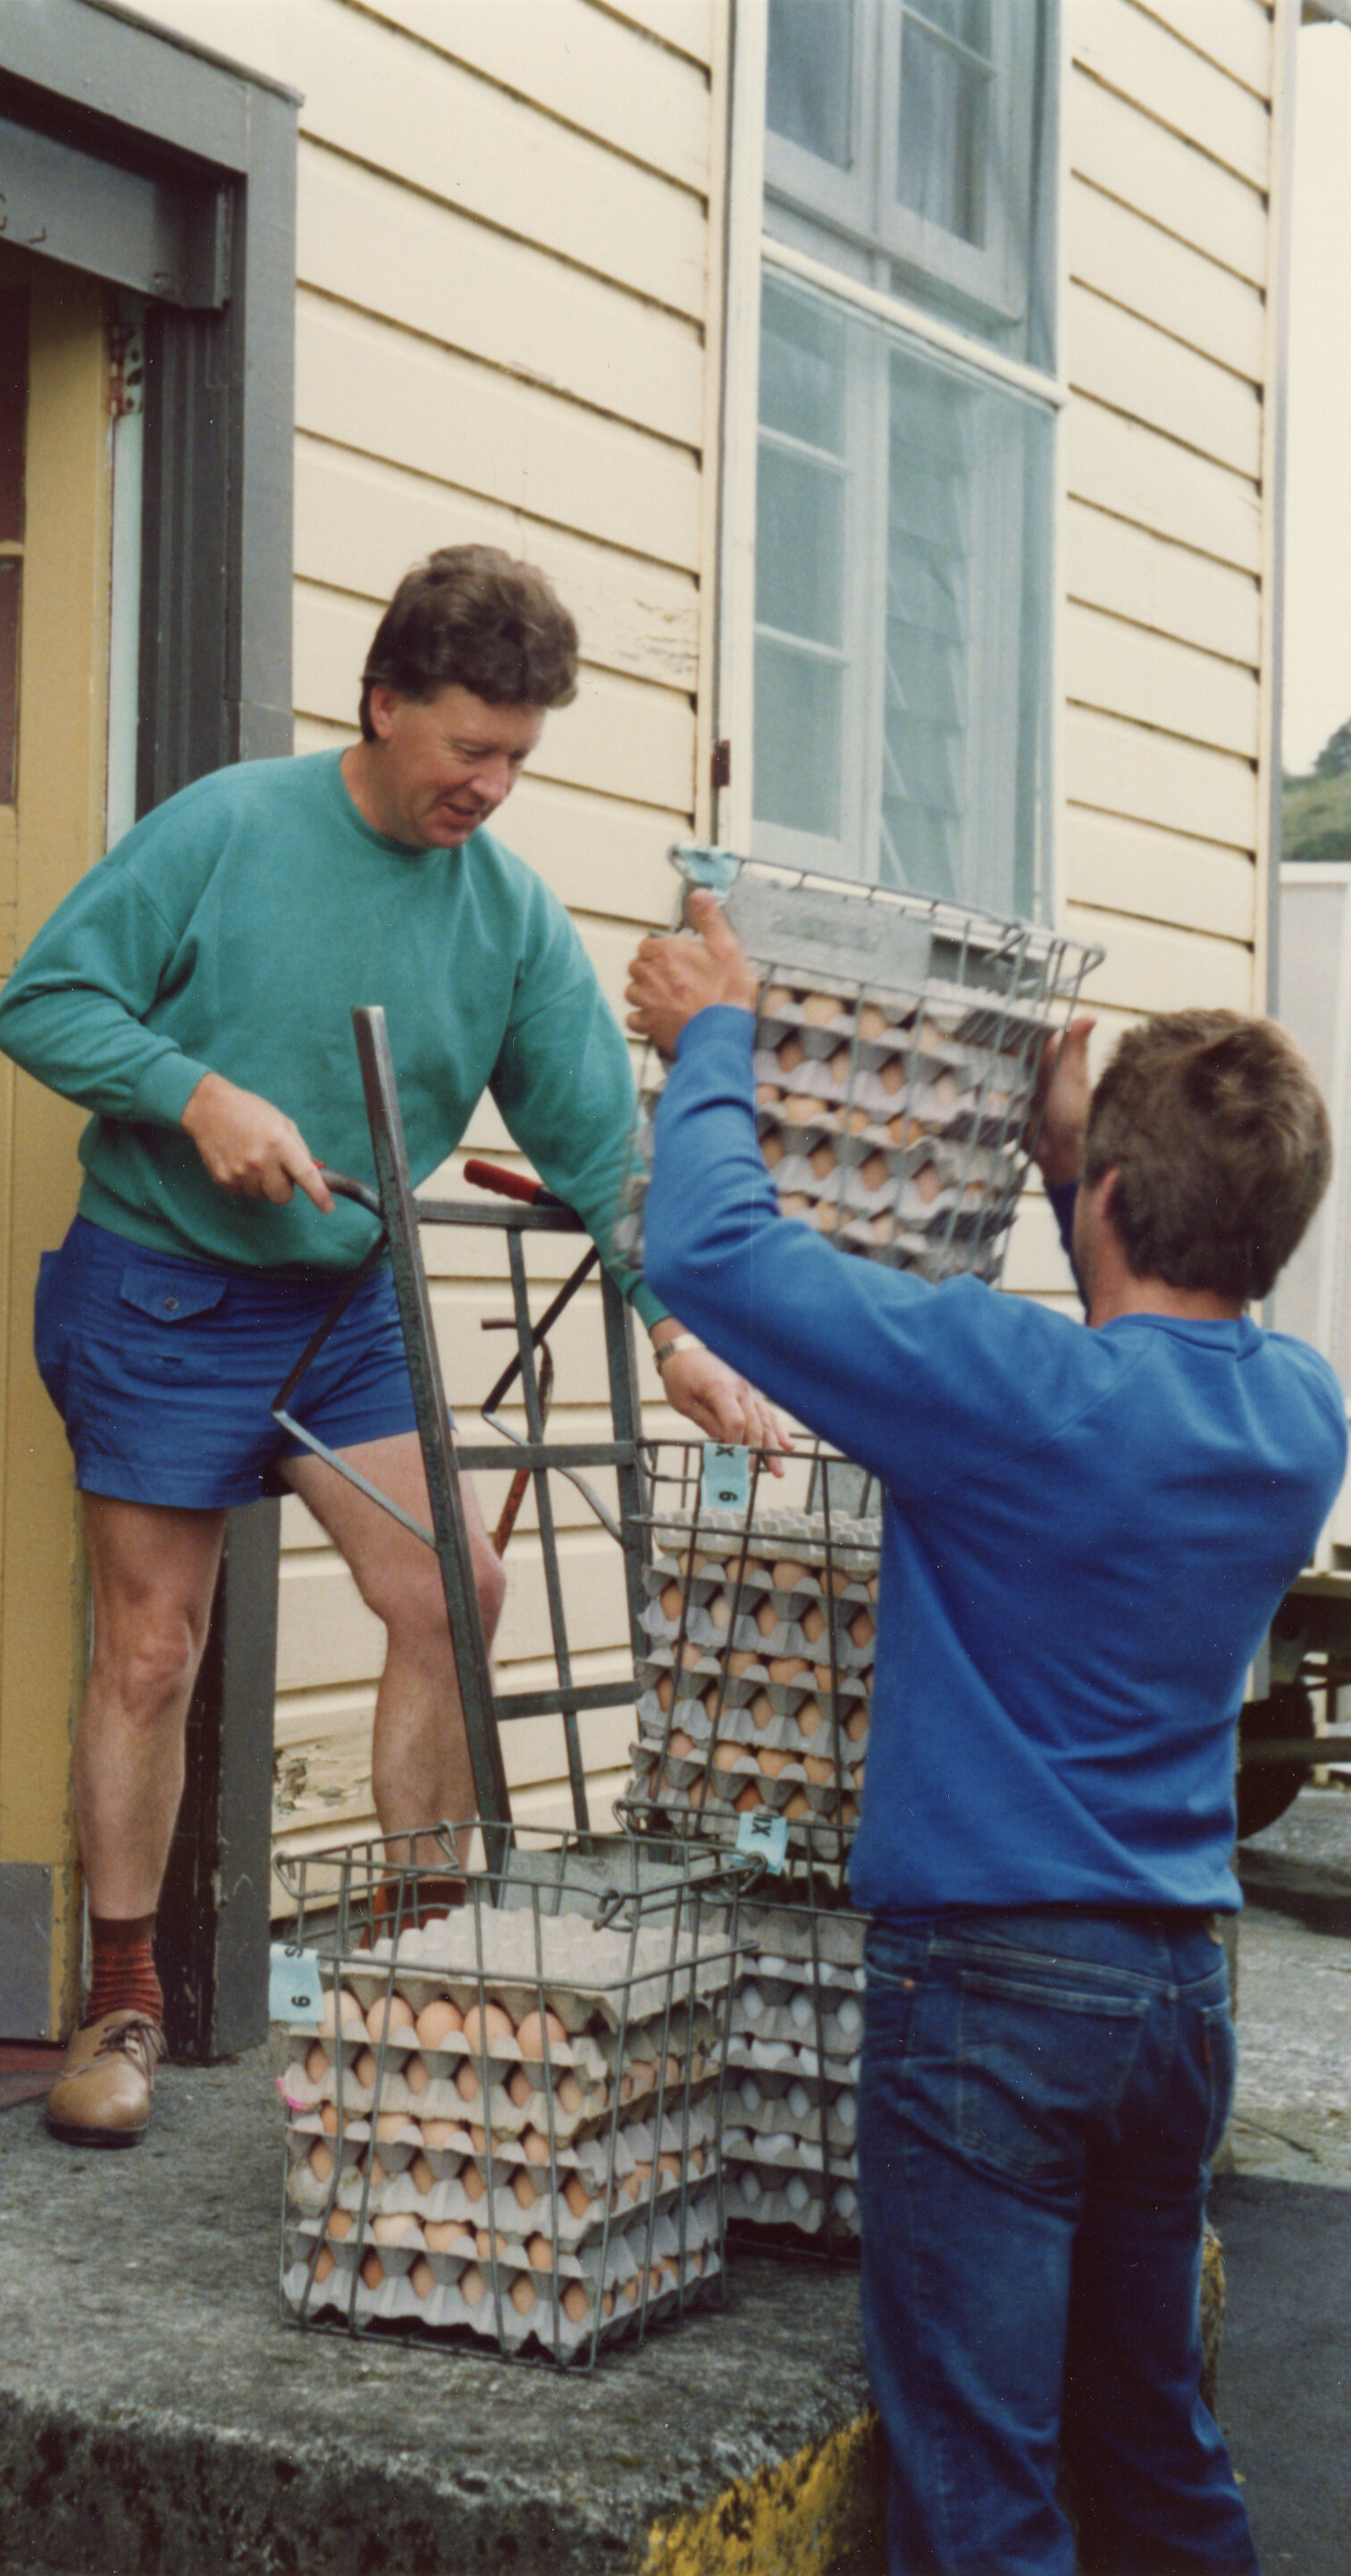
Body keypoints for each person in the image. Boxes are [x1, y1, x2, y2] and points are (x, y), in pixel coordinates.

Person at [0, 547, 776, 2150]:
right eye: (468, 748)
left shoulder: (508, 916)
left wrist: (674, 1328)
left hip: (347, 1304)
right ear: (383, 705)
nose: (490, 786)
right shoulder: (227, 828)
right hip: (160, 1290)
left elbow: (594, 1148)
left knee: (455, 1596)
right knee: (153, 1651)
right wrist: (195, 1094)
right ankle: (123, 2002)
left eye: (518, 757)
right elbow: (44, 1001)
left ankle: (422, 1982)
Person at [625, 891, 1345, 2576]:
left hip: (992, 1995)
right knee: (1151, 2437)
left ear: (1111, 1197)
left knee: (981, 2485)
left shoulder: (1009, 1389)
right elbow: (1157, 1314)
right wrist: (1080, 1166)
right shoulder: (1298, 1414)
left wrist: (713, 1037)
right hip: (1175, 1995)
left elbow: (711, 1254)